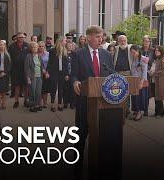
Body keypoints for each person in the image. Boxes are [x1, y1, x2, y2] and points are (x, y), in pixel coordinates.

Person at [71, 25, 114, 179]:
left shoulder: (106, 55)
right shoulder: (78, 54)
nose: (100, 39)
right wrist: (75, 82)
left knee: (101, 139)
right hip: (85, 103)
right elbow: (74, 75)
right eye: (97, 36)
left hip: (102, 103)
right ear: (88, 37)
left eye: (101, 36)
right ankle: (77, 169)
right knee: (80, 137)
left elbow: (111, 75)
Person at [47, 36, 68, 112]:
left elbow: (66, 64)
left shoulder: (65, 51)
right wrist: (48, 72)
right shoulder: (52, 51)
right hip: (54, 73)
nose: (66, 42)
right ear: (61, 41)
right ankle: (52, 104)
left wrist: (66, 74)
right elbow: (49, 63)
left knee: (61, 89)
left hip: (62, 73)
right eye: (65, 41)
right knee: (53, 88)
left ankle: (59, 104)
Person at [8, 32, 29, 108]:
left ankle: (26, 101)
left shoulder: (27, 45)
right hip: (15, 70)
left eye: (23, 37)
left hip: (25, 69)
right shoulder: (11, 46)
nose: (21, 38)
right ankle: (16, 101)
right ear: (17, 38)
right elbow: (9, 58)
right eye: (20, 37)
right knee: (17, 86)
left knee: (26, 86)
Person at [130, 45, 148, 121]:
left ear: (138, 51)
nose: (133, 54)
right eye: (131, 52)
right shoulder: (133, 58)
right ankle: (136, 111)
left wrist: (141, 82)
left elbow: (144, 72)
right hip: (134, 81)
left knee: (139, 98)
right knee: (134, 97)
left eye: (134, 52)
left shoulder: (143, 59)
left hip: (140, 81)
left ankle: (139, 112)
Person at [151, 46, 164, 118]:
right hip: (155, 80)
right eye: (155, 51)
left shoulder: (163, 59)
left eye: (158, 51)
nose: (156, 52)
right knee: (156, 97)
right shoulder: (157, 59)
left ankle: (160, 113)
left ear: (161, 52)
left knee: (159, 97)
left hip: (161, 81)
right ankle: (156, 112)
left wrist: (155, 73)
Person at [25, 42, 43, 112]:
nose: (35, 48)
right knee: (32, 91)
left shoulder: (39, 56)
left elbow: (41, 66)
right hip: (32, 77)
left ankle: (37, 105)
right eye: (33, 47)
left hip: (39, 76)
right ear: (31, 48)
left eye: (36, 47)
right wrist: (28, 78)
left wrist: (45, 72)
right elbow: (27, 68)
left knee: (38, 92)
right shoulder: (28, 56)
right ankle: (32, 106)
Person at [0, 40, 11, 110]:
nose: (1, 46)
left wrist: (5, 72)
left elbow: (9, 65)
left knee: (4, 90)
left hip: (5, 74)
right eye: (0, 45)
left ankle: (4, 103)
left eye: (3, 45)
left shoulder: (7, 54)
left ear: (5, 46)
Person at [141, 35, 154, 116]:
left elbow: (155, 61)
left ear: (149, 42)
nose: (146, 43)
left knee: (147, 92)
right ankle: (138, 109)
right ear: (142, 42)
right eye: (144, 41)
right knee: (139, 92)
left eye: (147, 41)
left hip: (148, 74)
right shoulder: (140, 50)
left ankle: (145, 109)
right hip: (140, 73)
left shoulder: (152, 51)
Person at [38, 41, 50, 109]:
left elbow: (50, 64)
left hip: (46, 74)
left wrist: (47, 72)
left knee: (45, 89)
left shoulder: (48, 54)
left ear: (44, 47)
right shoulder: (36, 54)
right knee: (39, 89)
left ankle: (45, 103)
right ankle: (40, 103)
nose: (41, 47)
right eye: (40, 46)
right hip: (38, 74)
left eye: (42, 46)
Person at [63, 41, 75, 109]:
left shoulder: (75, 54)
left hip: (73, 74)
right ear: (66, 46)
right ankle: (65, 103)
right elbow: (63, 65)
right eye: (69, 45)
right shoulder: (63, 54)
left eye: (71, 46)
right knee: (65, 89)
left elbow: (76, 65)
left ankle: (72, 103)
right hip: (65, 75)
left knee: (72, 90)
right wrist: (66, 74)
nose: (70, 47)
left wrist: (71, 75)